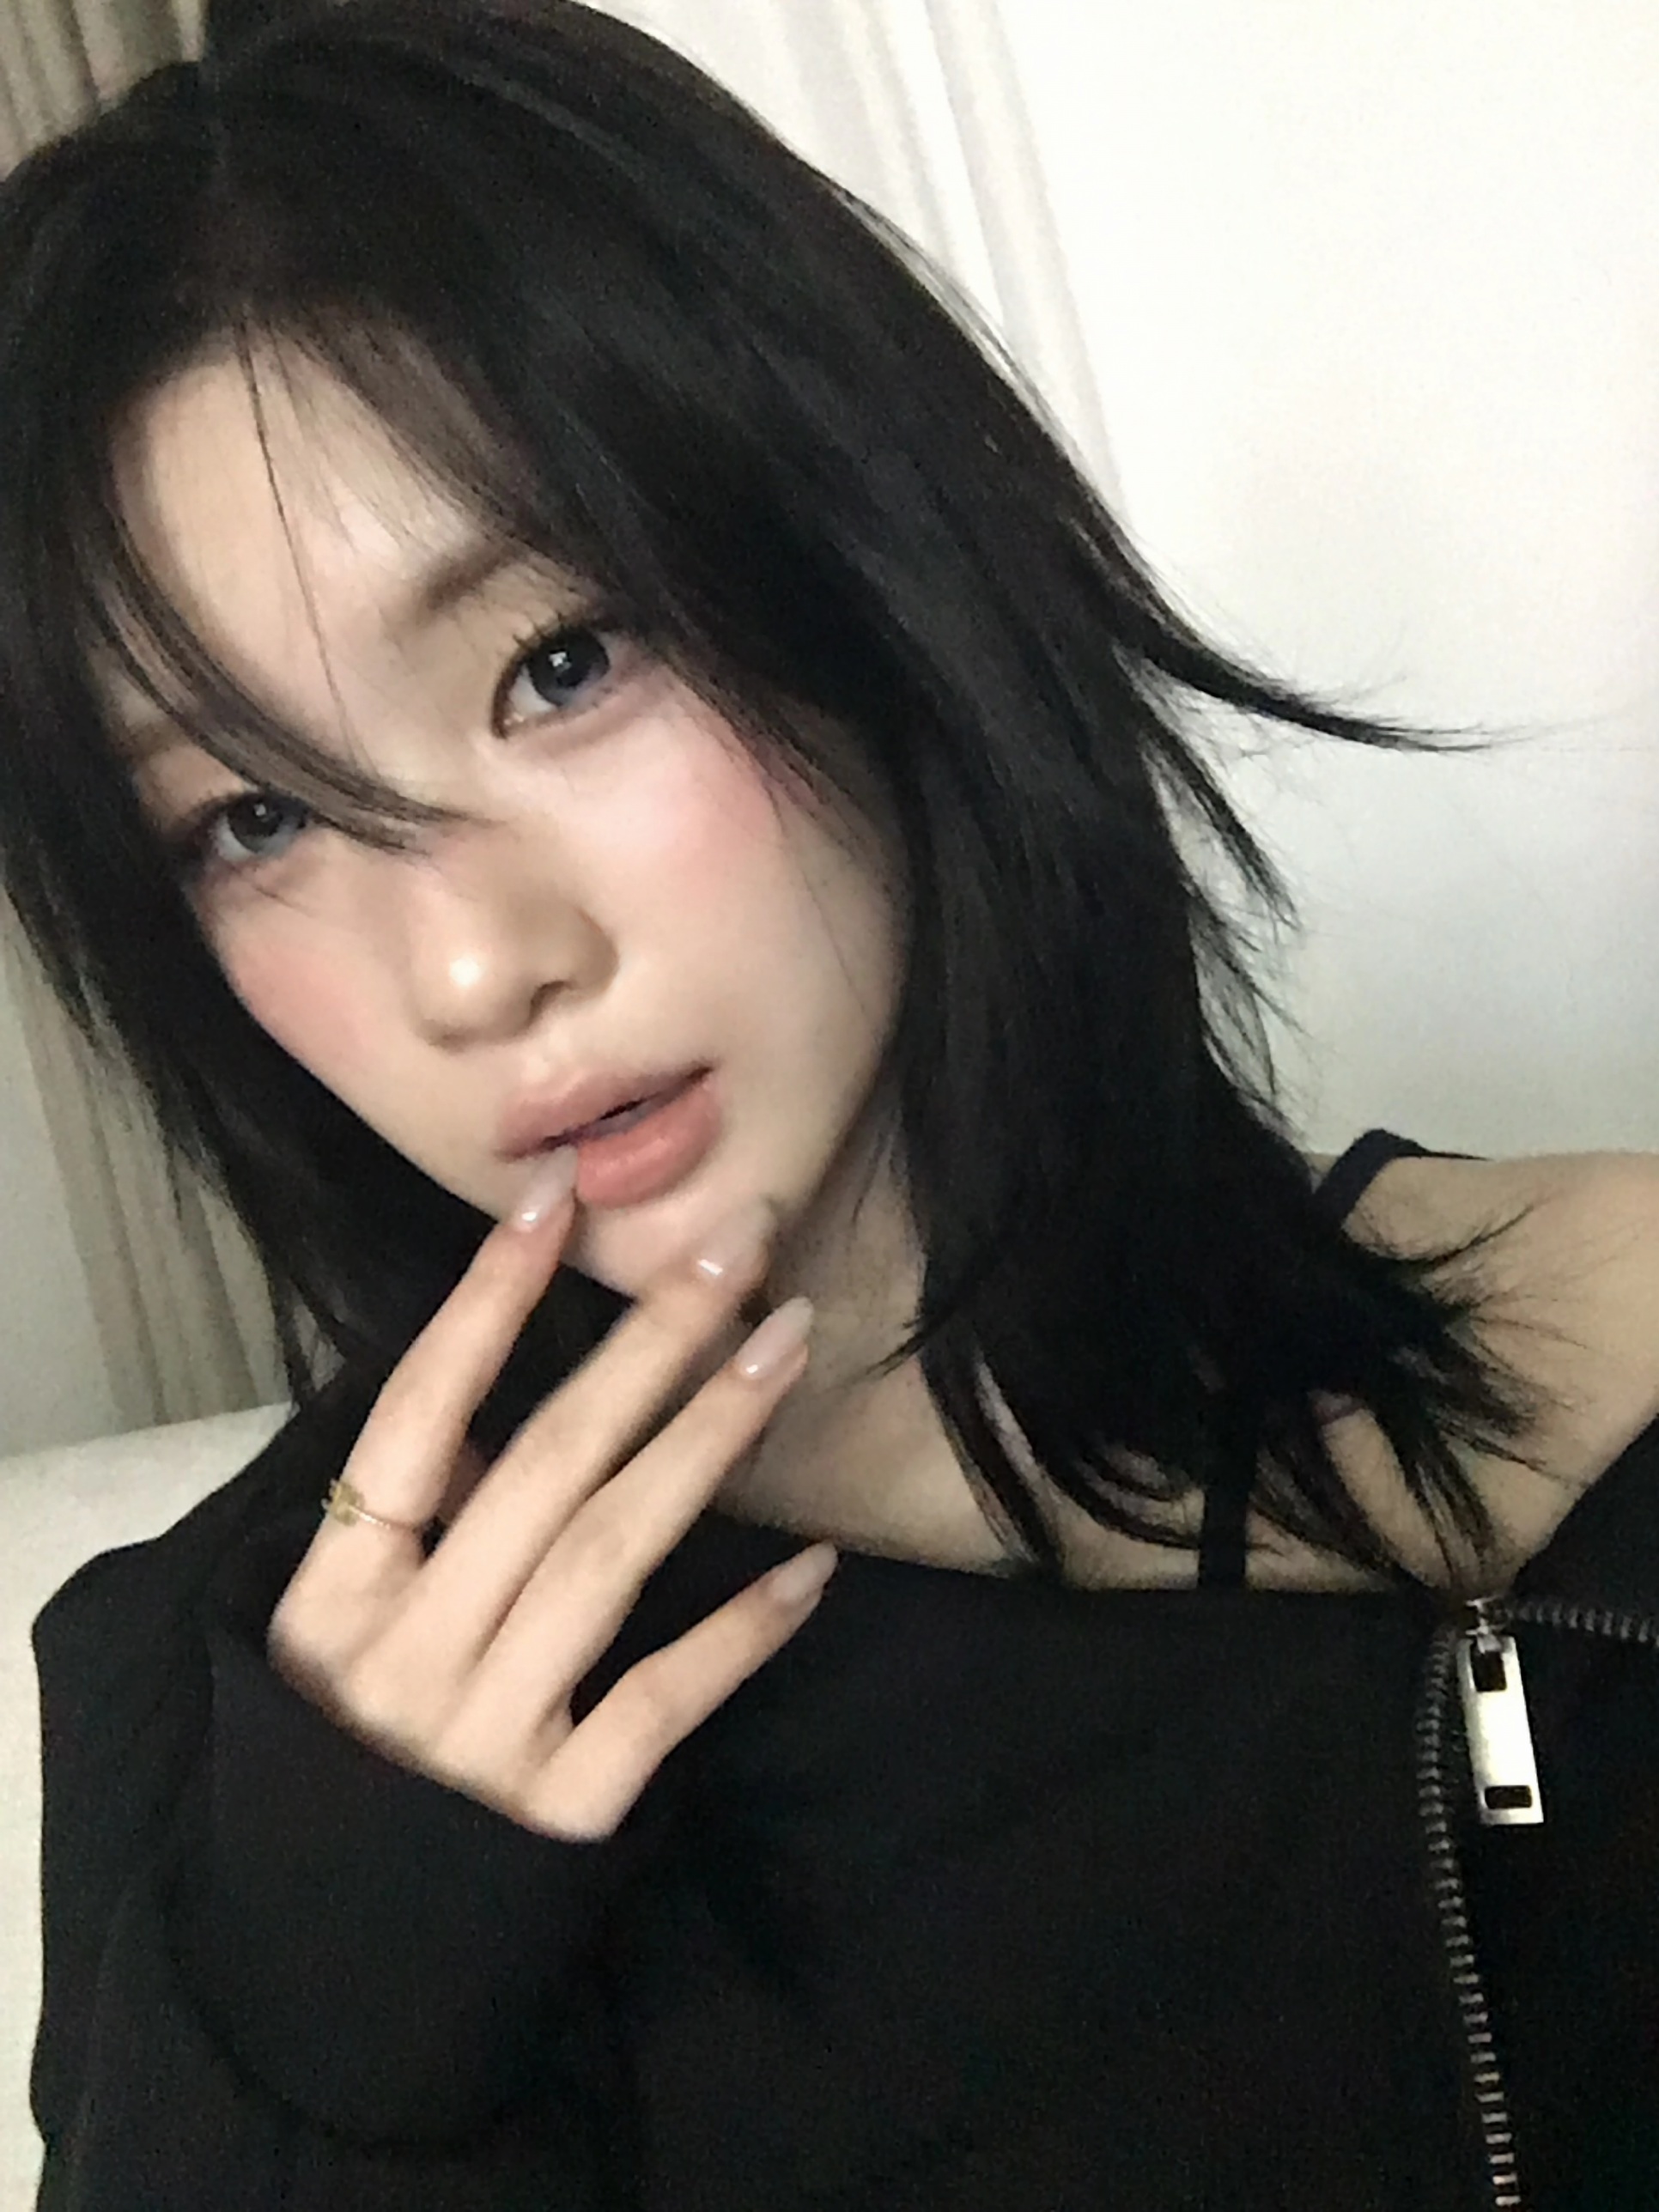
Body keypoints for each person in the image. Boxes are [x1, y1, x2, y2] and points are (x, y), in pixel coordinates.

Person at [3, 1, 1657, 2204]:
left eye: (561, 665)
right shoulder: (224, 1721)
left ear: (872, 575)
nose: (476, 967)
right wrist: (320, 2067)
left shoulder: (1625, 1310)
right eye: (255, 820)